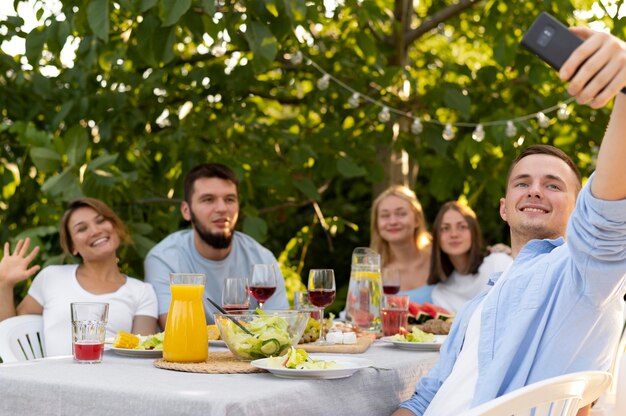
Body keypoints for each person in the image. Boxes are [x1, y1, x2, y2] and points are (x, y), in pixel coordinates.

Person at [394, 26, 626, 416]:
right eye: (523, 183)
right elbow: (423, 400)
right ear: (504, 207)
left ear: (577, 209)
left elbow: (607, 215)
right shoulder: (479, 305)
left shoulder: (581, 274)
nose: (535, 191)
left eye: (553, 185)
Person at [0, 198, 158, 357]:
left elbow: (141, 354)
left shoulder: (142, 292)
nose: (95, 231)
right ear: (72, 247)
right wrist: (4, 284)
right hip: (51, 379)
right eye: (82, 229)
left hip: (113, 380)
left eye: (101, 221)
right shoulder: (51, 277)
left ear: (115, 227)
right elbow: (9, 331)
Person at [145, 163, 289, 329]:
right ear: (186, 210)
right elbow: (177, 328)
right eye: (208, 199)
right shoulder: (164, 259)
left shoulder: (262, 259)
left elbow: (279, 327)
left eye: (229, 199)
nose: (222, 208)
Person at [428, 201, 513, 313]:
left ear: (473, 232)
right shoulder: (440, 294)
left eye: (462, 227)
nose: (454, 234)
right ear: (437, 238)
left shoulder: (498, 263)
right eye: (445, 228)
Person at [370, 185, 433, 303]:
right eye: (385, 215)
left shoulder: (439, 260)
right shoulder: (371, 273)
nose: (393, 221)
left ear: (417, 220)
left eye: (401, 214)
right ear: (376, 224)